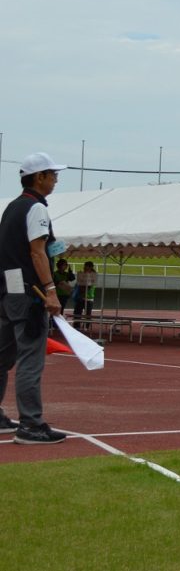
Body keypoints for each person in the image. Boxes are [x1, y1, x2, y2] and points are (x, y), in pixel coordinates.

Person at [0, 152, 69, 444]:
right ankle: (30, 425)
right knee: (30, 358)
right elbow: (37, 251)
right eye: (52, 174)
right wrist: (51, 290)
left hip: (6, 291)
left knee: (2, 357)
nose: (55, 179)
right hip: (30, 293)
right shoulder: (36, 208)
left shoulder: (11, 208)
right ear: (39, 177)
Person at [72, 261, 98, 330]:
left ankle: (86, 327)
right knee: (77, 312)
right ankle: (76, 326)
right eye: (84, 266)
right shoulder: (83, 274)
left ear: (90, 267)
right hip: (81, 297)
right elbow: (79, 285)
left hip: (88, 297)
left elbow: (88, 286)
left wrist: (82, 284)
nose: (84, 268)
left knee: (87, 314)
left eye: (86, 267)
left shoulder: (93, 275)